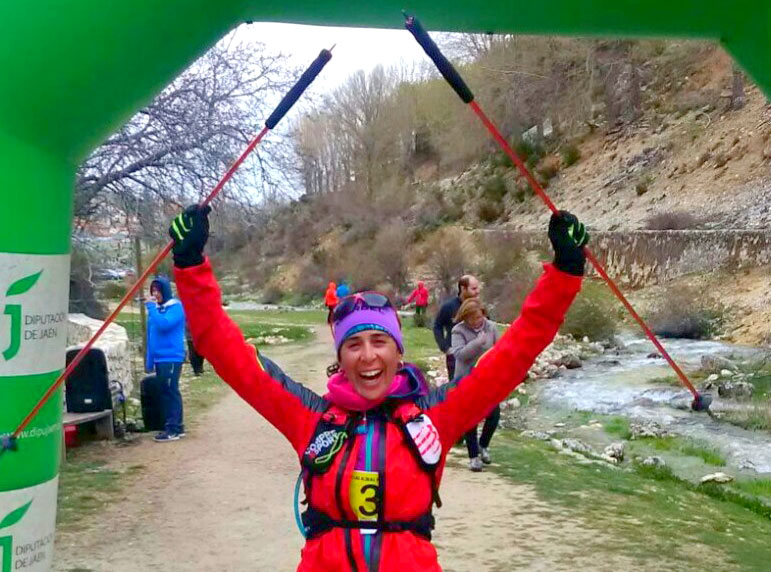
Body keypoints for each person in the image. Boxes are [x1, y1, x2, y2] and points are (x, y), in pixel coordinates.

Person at [168, 204, 588, 571]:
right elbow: (227, 353)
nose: (367, 356)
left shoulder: (437, 416)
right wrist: (189, 267)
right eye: (353, 344)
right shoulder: (310, 417)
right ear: (340, 358)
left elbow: (516, 351)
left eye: (379, 341)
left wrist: (564, 274)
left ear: (398, 354)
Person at [450, 298, 500, 471]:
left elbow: (499, 350)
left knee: (493, 414)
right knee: (470, 418)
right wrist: (477, 343)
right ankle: (473, 457)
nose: (477, 321)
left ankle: (483, 445)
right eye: (472, 318)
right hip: (466, 379)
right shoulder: (458, 330)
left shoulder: (491, 327)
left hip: (488, 379)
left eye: (479, 317)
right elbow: (460, 355)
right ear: (465, 318)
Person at [145, 276, 187, 442]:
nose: (155, 294)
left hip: (171, 357)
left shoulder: (175, 308)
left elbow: (164, 325)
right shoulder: (156, 311)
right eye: (153, 291)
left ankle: (173, 428)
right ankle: (176, 425)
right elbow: (151, 336)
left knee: (170, 391)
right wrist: (149, 360)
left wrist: (151, 308)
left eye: (158, 290)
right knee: (166, 391)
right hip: (159, 358)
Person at [433, 274, 481, 381]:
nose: (477, 291)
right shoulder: (448, 307)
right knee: (457, 390)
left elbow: (487, 328)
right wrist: (445, 347)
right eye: (473, 289)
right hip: (455, 357)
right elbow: (437, 326)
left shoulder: (479, 307)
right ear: (463, 288)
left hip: (477, 357)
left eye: (478, 288)